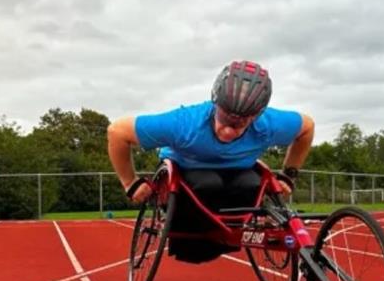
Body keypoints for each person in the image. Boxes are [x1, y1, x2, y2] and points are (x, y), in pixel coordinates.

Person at [107, 60, 315, 262]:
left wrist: (289, 175)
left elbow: (307, 127)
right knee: (208, 183)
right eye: (225, 119)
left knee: (251, 185)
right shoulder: (184, 123)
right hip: (189, 170)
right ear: (216, 103)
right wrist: (130, 183)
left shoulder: (269, 123)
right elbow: (117, 132)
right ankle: (196, 243)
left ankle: (228, 236)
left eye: (239, 124)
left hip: (239, 171)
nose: (227, 130)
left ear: (255, 116)